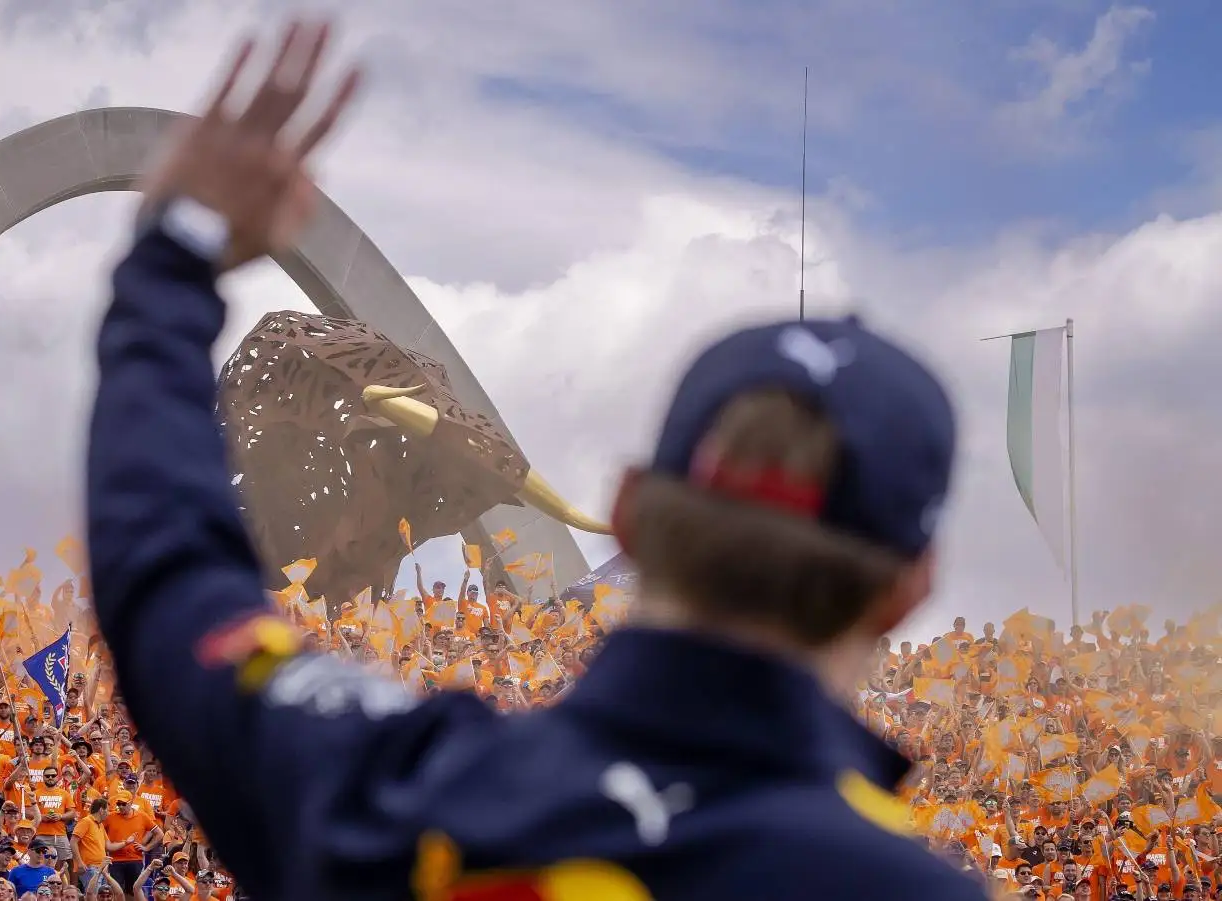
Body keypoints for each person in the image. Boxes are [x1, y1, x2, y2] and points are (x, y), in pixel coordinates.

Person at [84, 15, 987, 901]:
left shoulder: (398, 789)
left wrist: (174, 258)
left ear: (629, 509)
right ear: (909, 587)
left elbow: (169, 583)